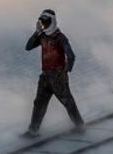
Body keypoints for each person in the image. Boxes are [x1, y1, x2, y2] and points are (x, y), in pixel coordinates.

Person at [22, 9, 84, 138]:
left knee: (67, 102)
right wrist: (36, 33)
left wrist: (65, 72)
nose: (44, 24)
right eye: (42, 22)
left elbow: (71, 56)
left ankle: (80, 125)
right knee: (39, 103)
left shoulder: (60, 38)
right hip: (45, 77)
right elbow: (28, 47)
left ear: (53, 21)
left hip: (58, 78)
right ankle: (33, 130)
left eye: (46, 21)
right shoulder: (42, 36)